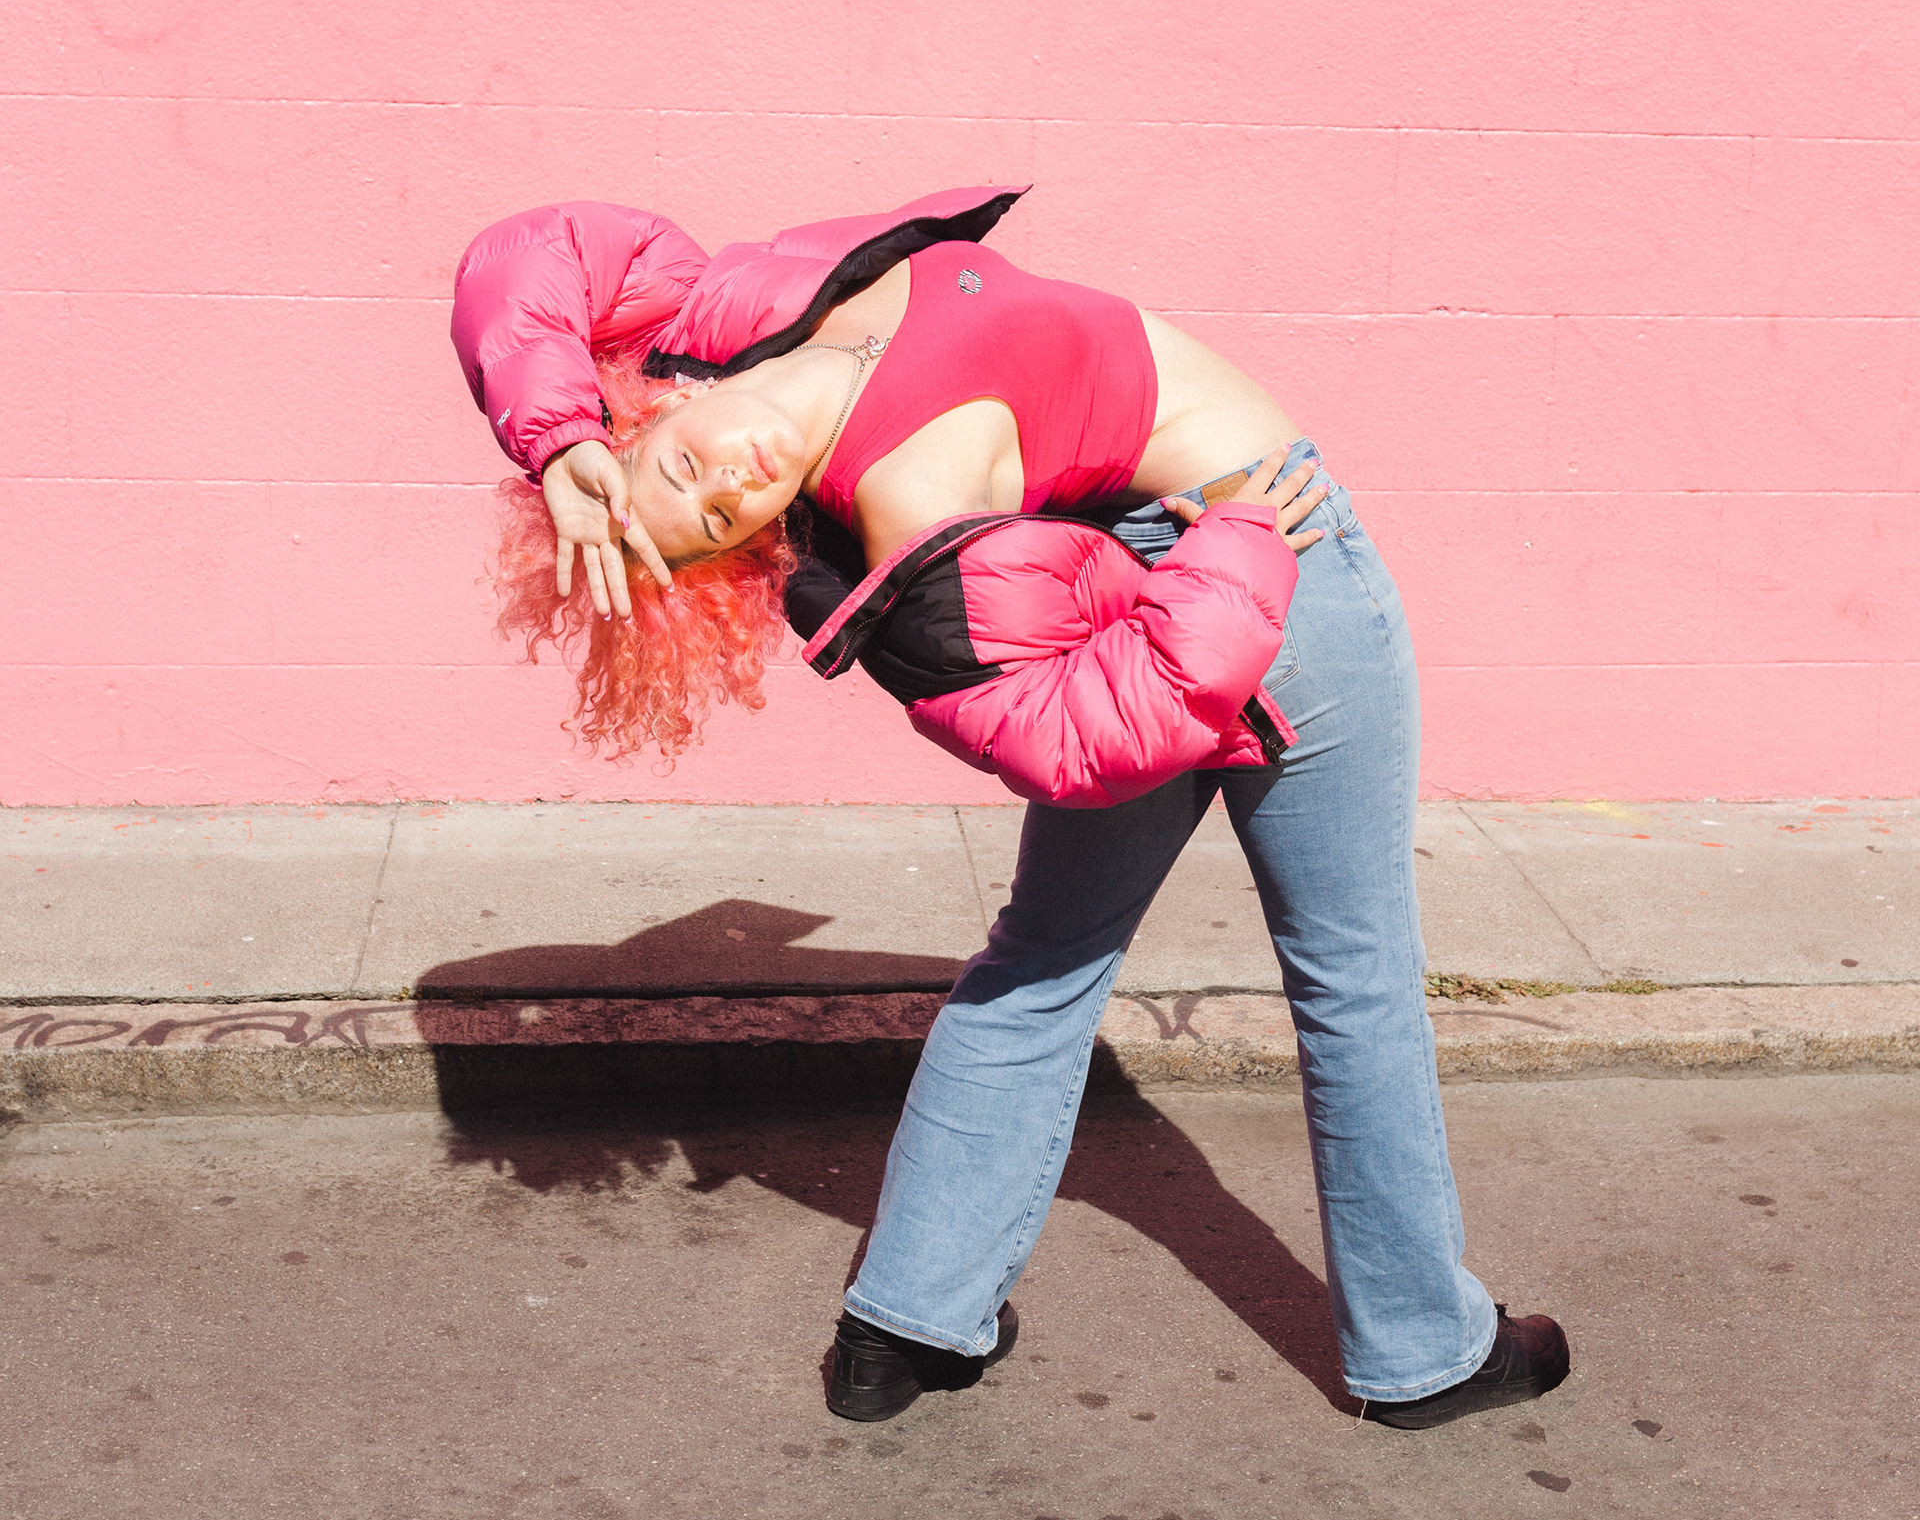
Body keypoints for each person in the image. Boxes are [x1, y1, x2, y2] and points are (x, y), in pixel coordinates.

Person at [453, 186, 1570, 1429]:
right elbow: (1084, 739)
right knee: (1354, 969)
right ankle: (1425, 1352)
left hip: (1164, 564)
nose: (733, 478)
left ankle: (907, 1325)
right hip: (1261, 565)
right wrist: (1244, 545)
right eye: (721, 520)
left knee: (1044, 959)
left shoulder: (728, 319)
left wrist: (556, 442)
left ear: (654, 409)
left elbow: (542, 252)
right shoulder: (912, 516)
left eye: (681, 467)